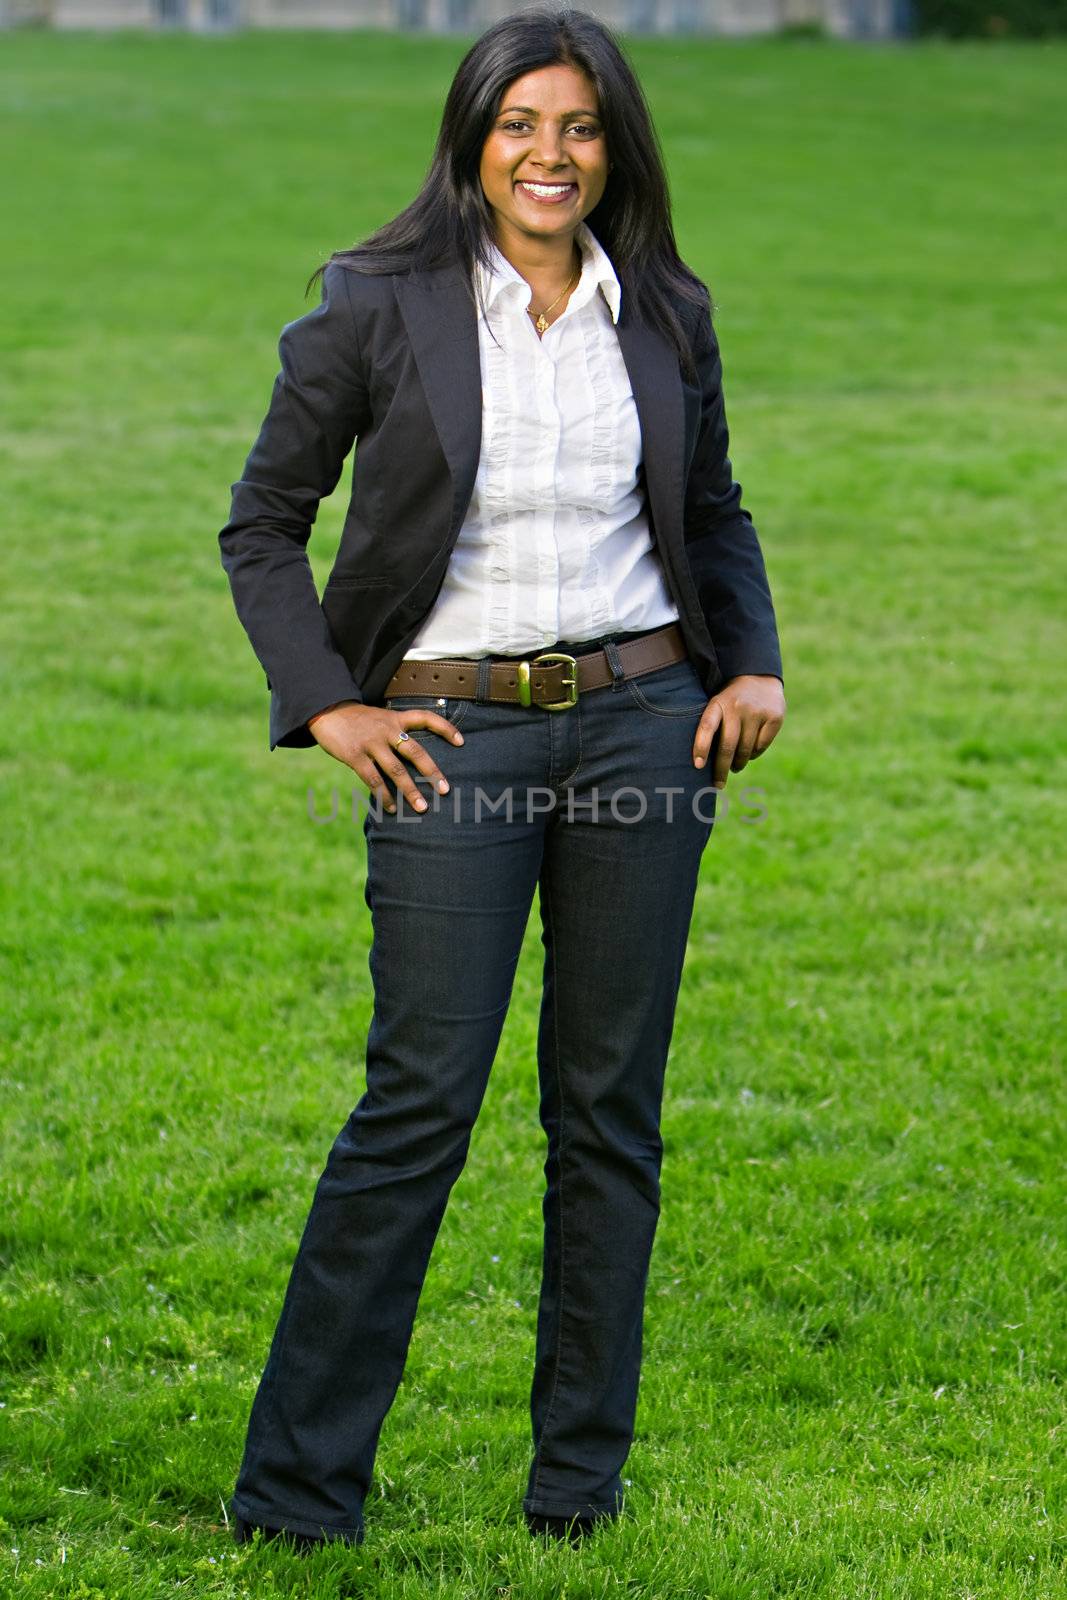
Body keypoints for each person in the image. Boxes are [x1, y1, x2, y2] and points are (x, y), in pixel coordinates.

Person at [217, 3, 785, 1553]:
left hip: (643, 729)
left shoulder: (662, 306)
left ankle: (575, 1491)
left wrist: (752, 662)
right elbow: (261, 523)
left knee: (609, 1110)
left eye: (581, 125)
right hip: (448, 741)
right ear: (473, 138)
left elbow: (714, 507)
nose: (551, 154)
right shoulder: (375, 304)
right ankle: (296, 1497)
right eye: (522, 123)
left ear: (616, 147)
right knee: (420, 1101)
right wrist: (329, 706)